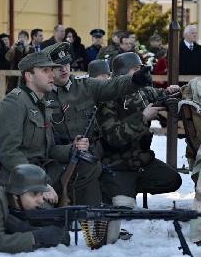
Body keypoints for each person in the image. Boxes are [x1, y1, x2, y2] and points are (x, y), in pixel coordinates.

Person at [0, 51, 130, 205]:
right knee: (50, 222)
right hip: (18, 178)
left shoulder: (40, 104)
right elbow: (8, 152)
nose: (52, 75)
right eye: (45, 71)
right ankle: (77, 217)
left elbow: (49, 149)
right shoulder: (14, 104)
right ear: (29, 76)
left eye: (52, 70)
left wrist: (73, 148)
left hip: (42, 169)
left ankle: (91, 219)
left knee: (88, 164)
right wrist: (40, 182)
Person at [42, 42, 144, 205]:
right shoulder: (42, 95)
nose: (64, 69)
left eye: (67, 64)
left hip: (89, 159)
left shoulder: (85, 86)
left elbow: (112, 85)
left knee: (95, 213)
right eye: (58, 66)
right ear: (48, 69)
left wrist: (134, 80)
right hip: (56, 162)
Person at [97, 52, 182, 208]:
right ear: (122, 72)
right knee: (123, 207)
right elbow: (113, 138)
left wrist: (172, 92)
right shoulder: (108, 98)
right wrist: (142, 117)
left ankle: (130, 188)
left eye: (140, 68)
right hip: (118, 164)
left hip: (141, 161)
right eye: (135, 69)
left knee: (172, 180)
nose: (140, 72)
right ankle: (117, 188)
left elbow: (162, 95)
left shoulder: (143, 91)